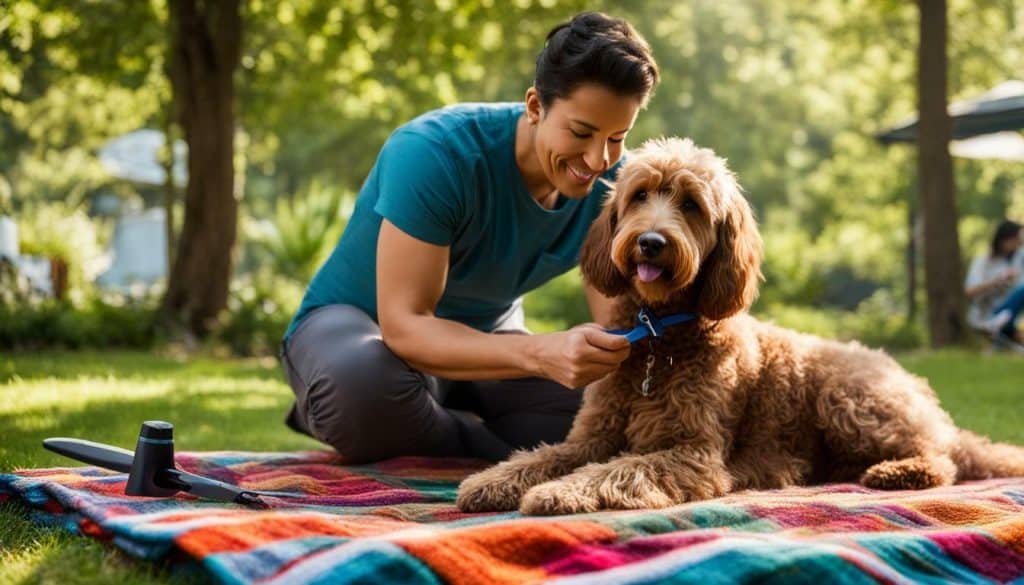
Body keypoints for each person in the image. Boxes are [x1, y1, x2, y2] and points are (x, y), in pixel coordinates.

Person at [279, 12, 660, 463]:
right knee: (358, 385)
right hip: (365, 331)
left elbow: (619, 320)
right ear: (535, 107)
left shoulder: (615, 186)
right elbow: (405, 327)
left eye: (617, 138)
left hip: (489, 345)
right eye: (581, 133)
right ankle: (464, 439)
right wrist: (539, 352)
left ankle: (427, 428)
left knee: (610, 409)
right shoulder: (435, 153)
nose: (598, 160)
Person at [964, 219, 1024, 350]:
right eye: (1016, 239)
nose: (1019, 243)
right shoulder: (983, 261)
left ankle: (1000, 330)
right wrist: (996, 282)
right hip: (987, 314)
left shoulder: (1018, 258)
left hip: (1007, 318)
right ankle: (997, 327)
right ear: (1004, 239)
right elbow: (968, 292)